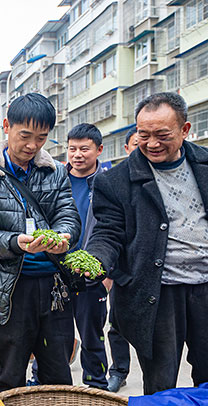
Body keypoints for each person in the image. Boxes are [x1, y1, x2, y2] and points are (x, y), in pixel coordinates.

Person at [85, 92, 208, 395]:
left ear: (185, 130)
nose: (152, 143)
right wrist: (95, 260)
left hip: (205, 286)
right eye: (144, 135)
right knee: (159, 382)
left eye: (162, 135)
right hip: (156, 292)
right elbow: (108, 233)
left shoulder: (205, 165)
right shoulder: (115, 181)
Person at [0, 93, 81, 392]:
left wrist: (64, 237)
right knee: (10, 372)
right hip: (10, 288)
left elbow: (69, 215)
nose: (32, 145)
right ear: (6, 126)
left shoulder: (55, 172)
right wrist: (17, 242)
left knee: (57, 371)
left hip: (54, 286)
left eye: (41, 138)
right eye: (25, 135)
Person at [66, 123, 110, 390]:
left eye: (84, 148)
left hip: (93, 274)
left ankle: (96, 387)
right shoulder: (56, 178)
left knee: (92, 336)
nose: (77, 154)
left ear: (99, 150)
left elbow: (120, 230)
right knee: (51, 334)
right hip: (56, 271)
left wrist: (109, 275)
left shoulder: (108, 183)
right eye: (72, 149)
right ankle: (46, 383)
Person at [106, 127, 138, 393]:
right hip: (124, 269)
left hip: (166, 274)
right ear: (127, 148)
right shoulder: (116, 182)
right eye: (138, 143)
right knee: (117, 325)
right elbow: (107, 230)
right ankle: (118, 370)